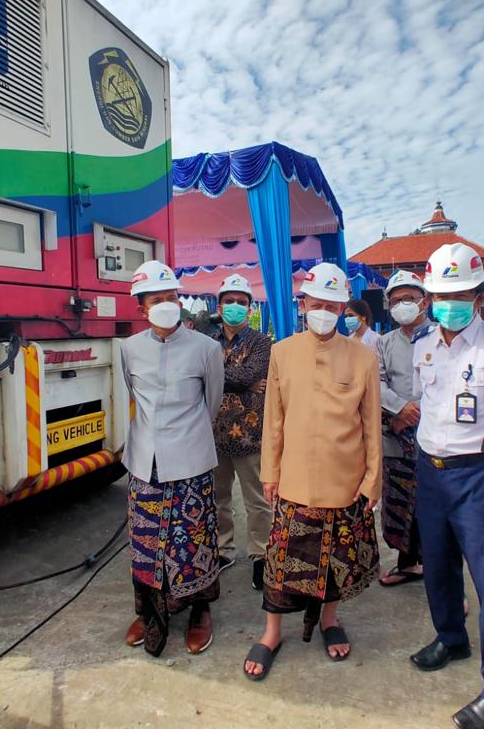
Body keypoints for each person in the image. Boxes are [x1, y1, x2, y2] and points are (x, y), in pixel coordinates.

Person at [243, 262, 382, 680]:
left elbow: (371, 424)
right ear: (302, 304)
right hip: (293, 479)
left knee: (337, 561)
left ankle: (329, 619)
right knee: (282, 561)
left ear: (343, 309)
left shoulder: (363, 357)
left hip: (346, 481)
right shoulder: (282, 352)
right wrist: (269, 472)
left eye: (332, 305)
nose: (323, 311)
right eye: (316, 303)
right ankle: (272, 633)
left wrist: (373, 479)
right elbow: (274, 420)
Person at [408, 243, 484, 729]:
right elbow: (423, 401)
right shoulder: (423, 345)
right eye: (439, 293)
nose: (447, 301)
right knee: (437, 565)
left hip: (480, 474)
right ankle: (450, 637)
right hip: (430, 469)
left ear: (479, 293)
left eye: (459, 292)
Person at [120, 260, 225, 657]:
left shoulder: (206, 348)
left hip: (192, 462)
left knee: (193, 542)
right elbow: (133, 398)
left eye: (172, 297)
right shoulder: (129, 350)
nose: (167, 304)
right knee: (146, 545)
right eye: (157, 299)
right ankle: (149, 610)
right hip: (145, 463)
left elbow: (210, 404)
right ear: (140, 308)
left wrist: (186, 437)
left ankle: (200, 610)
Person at [210, 273, 273, 591]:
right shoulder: (207, 342)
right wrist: (243, 382)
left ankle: (261, 555)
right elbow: (199, 376)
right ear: (219, 306)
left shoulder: (261, 342)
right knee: (218, 499)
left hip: (251, 434)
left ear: (250, 309)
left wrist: (228, 377)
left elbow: (253, 371)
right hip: (214, 434)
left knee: (257, 500)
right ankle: (223, 549)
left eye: (241, 302)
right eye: (229, 301)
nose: (235, 306)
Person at [375, 270, 430, 587]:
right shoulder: (383, 343)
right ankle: (407, 564)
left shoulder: (441, 337)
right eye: (396, 300)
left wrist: (419, 411)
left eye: (408, 298)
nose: (402, 305)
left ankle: (439, 575)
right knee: (398, 505)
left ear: (425, 301)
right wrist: (399, 410)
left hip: (434, 439)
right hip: (396, 437)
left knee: (433, 508)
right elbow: (376, 382)